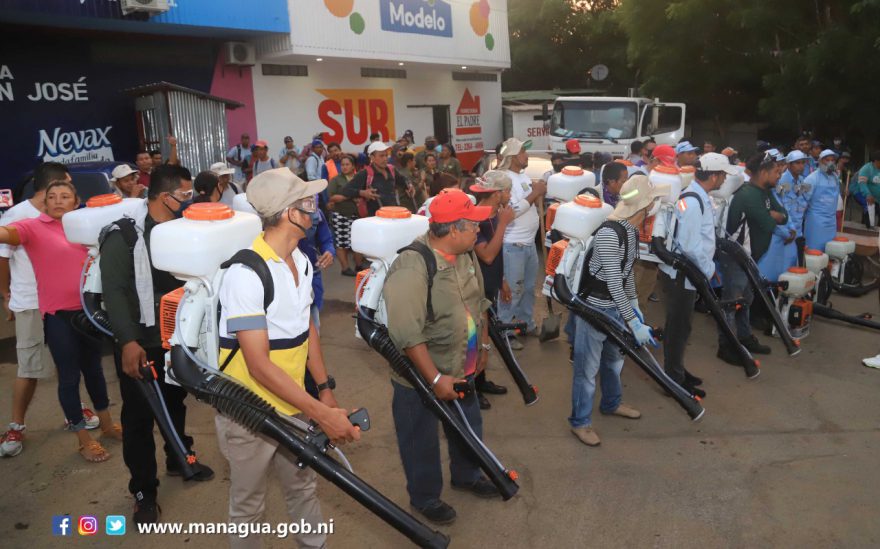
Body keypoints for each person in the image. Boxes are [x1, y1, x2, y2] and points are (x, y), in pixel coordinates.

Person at [215, 167, 359, 548]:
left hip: (294, 405)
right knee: (248, 506)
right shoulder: (246, 274)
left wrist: (324, 389)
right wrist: (321, 413)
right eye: (307, 203)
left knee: (303, 487)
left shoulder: (302, 260)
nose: (316, 211)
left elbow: (306, 328)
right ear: (289, 214)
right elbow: (259, 366)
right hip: (248, 413)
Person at [100, 165, 211, 523]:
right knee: (138, 417)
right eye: (185, 194)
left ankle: (179, 456)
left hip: (174, 336)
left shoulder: (183, 231)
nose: (190, 200)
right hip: (140, 340)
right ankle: (144, 491)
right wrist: (128, 342)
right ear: (165, 197)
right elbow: (114, 292)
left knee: (175, 402)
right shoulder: (125, 236)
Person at [383, 189, 499, 525]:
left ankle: (467, 475)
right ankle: (425, 497)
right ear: (453, 230)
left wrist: (483, 349)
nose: (479, 230)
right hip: (420, 376)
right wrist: (434, 379)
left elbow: (479, 303)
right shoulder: (412, 265)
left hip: (463, 364)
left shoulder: (465, 254)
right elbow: (407, 333)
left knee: (468, 426)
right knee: (419, 439)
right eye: (473, 225)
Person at [0, 179, 121, 462]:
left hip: (90, 311)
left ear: (76, 202)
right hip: (58, 317)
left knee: (95, 370)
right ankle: (83, 439)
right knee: (69, 377)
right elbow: (6, 233)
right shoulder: (32, 228)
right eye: (52, 196)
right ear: (44, 203)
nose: (57, 200)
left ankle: (106, 425)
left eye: (64, 196)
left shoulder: (86, 227)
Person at [570, 175, 667, 447]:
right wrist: (633, 322)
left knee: (614, 360)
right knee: (587, 371)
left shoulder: (631, 232)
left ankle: (611, 403)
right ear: (645, 205)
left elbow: (626, 275)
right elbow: (613, 282)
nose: (656, 205)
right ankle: (580, 423)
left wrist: (633, 305)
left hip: (615, 308)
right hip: (593, 309)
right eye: (654, 200)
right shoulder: (608, 234)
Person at [1, 163, 77, 458]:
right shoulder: (17, 215)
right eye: (65, 183)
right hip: (30, 303)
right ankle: (16, 425)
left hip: (60, 303)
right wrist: (6, 295)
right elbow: (2, 258)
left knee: (67, 361)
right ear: (51, 185)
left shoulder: (65, 215)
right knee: (29, 367)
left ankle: (74, 411)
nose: (67, 191)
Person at [659, 153, 741, 398]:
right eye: (723, 175)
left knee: (681, 327)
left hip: (688, 273)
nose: (724, 180)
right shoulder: (693, 202)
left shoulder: (699, 197)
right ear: (714, 176)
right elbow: (690, 247)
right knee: (678, 328)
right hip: (683, 275)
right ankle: (673, 380)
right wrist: (709, 272)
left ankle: (677, 370)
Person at [717, 153, 787, 364]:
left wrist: (774, 214)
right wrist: (773, 215)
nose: (779, 175)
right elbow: (769, 224)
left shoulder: (764, 192)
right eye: (776, 171)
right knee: (732, 302)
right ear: (763, 172)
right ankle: (727, 346)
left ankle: (744, 337)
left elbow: (784, 215)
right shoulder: (748, 195)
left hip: (749, 257)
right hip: (736, 256)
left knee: (746, 298)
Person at [470, 171, 516, 409]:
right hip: (475, 289)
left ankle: (481, 380)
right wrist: (504, 224)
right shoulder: (476, 218)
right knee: (476, 339)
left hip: (490, 284)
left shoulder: (495, 215)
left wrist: (502, 281)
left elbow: (496, 257)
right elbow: (487, 255)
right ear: (497, 193)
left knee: (484, 335)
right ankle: (471, 389)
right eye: (508, 191)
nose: (510, 196)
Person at [495, 138, 545, 350]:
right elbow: (512, 212)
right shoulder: (504, 179)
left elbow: (529, 201)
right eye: (523, 151)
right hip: (513, 245)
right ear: (512, 156)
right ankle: (505, 331)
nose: (527, 155)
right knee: (512, 291)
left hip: (528, 244)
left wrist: (537, 192)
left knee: (528, 288)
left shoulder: (523, 176)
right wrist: (535, 193)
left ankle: (525, 323)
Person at [342, 142, 407, 216]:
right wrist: (362, 193)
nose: (385, 158)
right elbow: (346, 190)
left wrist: (409, 186)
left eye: (386, 155)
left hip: (393, 215)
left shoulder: (392, 169)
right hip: (375, 218)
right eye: (381, 156)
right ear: (372, 158)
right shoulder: (365, 173)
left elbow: (403, 180)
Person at [328, 155, 363, 276]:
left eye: (347, 164)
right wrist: (350, 196)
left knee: (358, 242)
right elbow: (332, 197)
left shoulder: (359, 178)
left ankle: (359, 266)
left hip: (359, 216)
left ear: (353, 166)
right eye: (342, 164)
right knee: (342, 243)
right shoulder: (336, 180)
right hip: (341, 215)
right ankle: (345, 268)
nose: (344, 167)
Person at [803, 149, 841, 252]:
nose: (830, 163)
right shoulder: (811, 178)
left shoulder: (835, 178)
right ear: (820, 161)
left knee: (829, 251)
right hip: (816, 222)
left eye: (832, 160)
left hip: (831, 222)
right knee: (814, 253)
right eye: (827, 160)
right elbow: (801, 199)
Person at [849, 150, 880, 228]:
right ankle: (867, 227)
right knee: (869, 207)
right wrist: (868, 194)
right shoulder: (867, 168)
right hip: (862, 193)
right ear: (876, 161)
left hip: (877, 197)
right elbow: (862, 183)